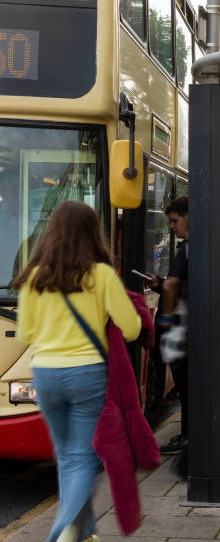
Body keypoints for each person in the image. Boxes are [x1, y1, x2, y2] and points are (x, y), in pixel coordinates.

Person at [14, 201, 141, 542]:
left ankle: (84, 532)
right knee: (82, 457)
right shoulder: (100, 275)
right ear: (92, 233)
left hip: (45, 374)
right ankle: (65, 530)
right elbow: (131, 329)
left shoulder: (33, 277)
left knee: (67, 456)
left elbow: (26, 334)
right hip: (88, 375)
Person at [147, 196, 190, 455]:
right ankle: (187, 436)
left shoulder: (186, 249)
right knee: (186, 386)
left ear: (189, 216)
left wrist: (163, 320)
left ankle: (187, 440)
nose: (172, 227)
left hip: (182, 329)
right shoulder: (197, 246)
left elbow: (172, 285)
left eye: (175, 221)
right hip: (193, 327)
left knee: (184, 386)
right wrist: (160, 282)